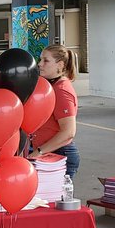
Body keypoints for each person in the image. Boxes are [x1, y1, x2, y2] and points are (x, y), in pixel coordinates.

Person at [28, 46, 80, 178]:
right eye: (40, 59)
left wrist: (39, 151)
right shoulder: (49, 86)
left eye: (46, 61)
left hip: (59, 154)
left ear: (60, 65)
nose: (39, 64)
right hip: (45, 153)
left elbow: (68, 132)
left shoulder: (61, 90)